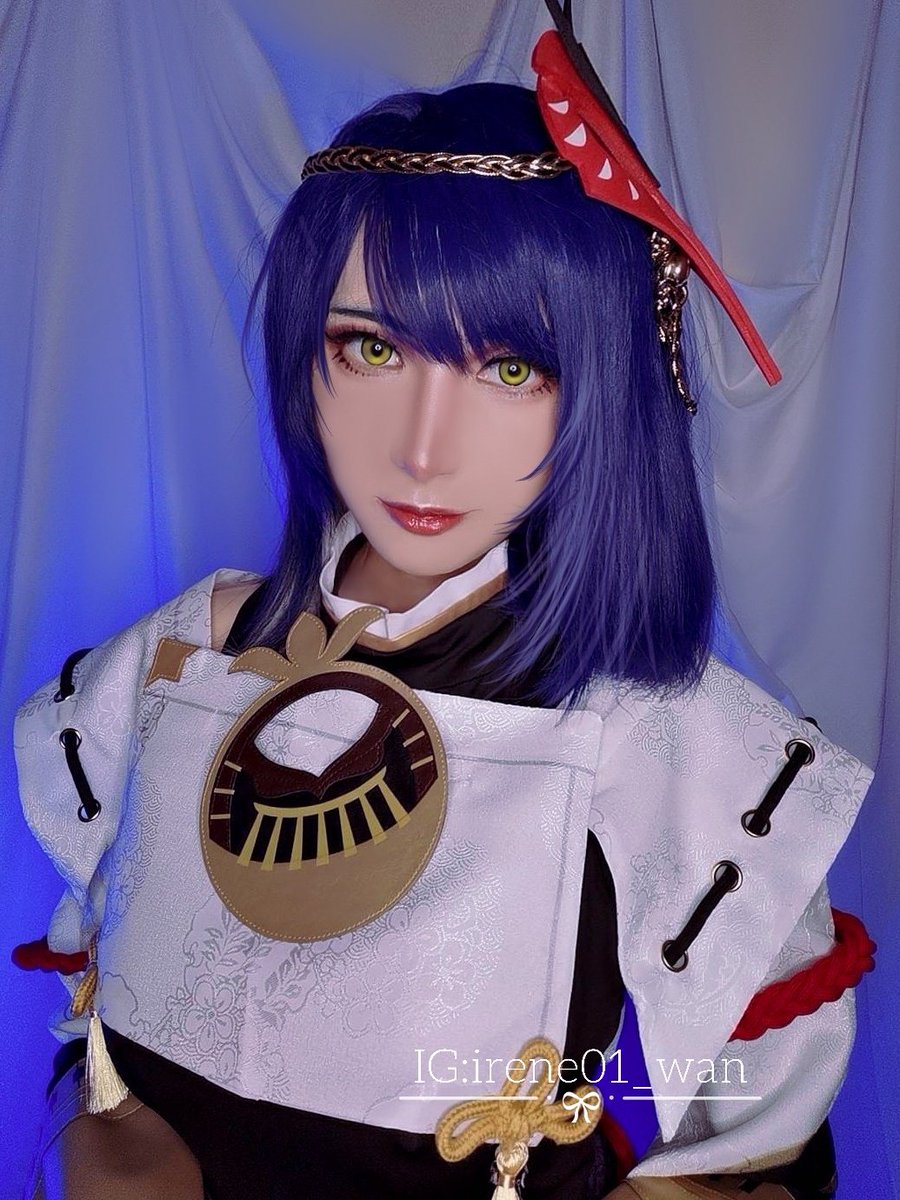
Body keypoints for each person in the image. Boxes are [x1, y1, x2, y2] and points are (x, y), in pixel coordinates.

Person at [14, 15, 875, 1200]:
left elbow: (759, 1117)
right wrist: (99, 1119)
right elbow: (95, 979)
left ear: (601, 394)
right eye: (371, 351)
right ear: (304, 356)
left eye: (510, 370)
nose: (423, 448)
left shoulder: (661, 734)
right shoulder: (181, 652)